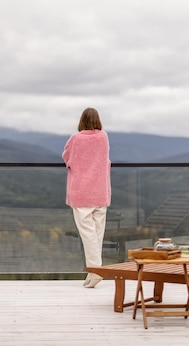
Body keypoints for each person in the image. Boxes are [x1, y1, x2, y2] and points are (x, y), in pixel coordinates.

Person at [62, 107, 111, 288]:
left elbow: (67, 157)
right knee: (97, 233)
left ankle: (96, 270)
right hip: (100, 191)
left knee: (88, 235)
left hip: (81, 192)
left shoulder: (75, 139)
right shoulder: (104, 137)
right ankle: (93, 272)